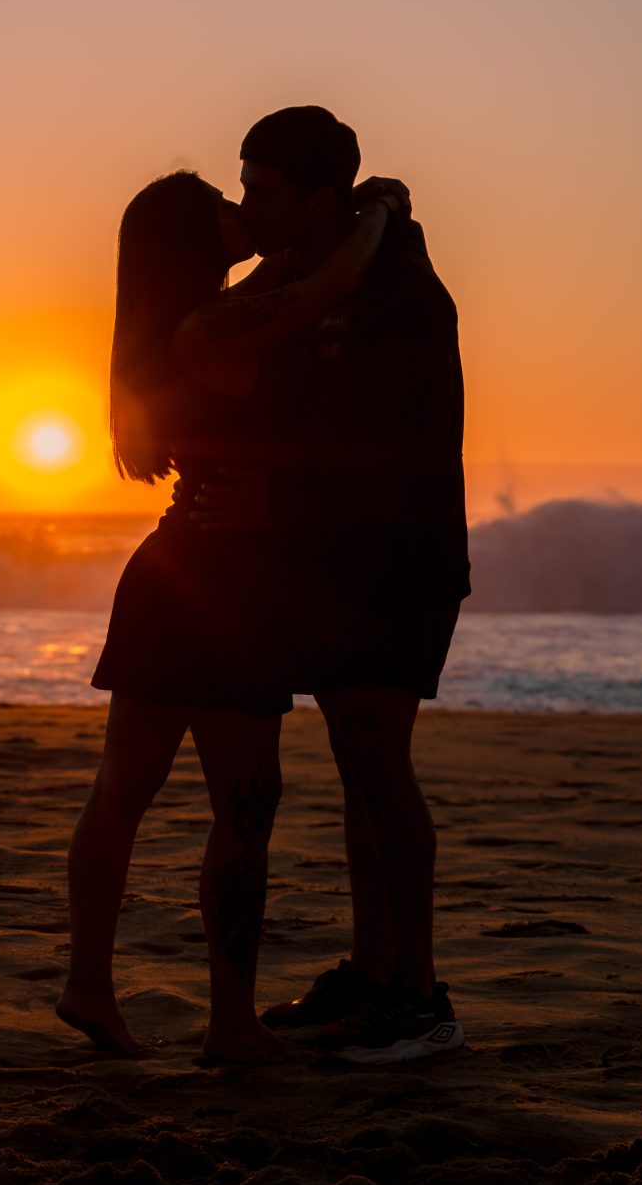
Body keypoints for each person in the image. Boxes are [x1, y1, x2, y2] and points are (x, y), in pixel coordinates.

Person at [57, 167, 404, 1061]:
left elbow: (282, 276)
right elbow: (325, 286)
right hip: (222, 586)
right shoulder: (209, 328)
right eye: (220, 203)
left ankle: (89, 987)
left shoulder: (191, 319)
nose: (237, 207)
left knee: (121, 793)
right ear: (190, 238)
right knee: (243, 808)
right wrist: (377, 212)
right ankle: (229, 1025)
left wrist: (287, 241)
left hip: (174, 575)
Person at [192, 106, 470, 1064]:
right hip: (340, 559)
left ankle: (419, 994)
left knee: (378, 761)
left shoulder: (398, 293)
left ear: (318, 200)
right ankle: (374, 969)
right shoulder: (330, 268)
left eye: (259, 191)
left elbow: (398, 445)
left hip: (400, 558)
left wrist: (276, 491)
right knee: (358, 763)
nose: (244, 206)